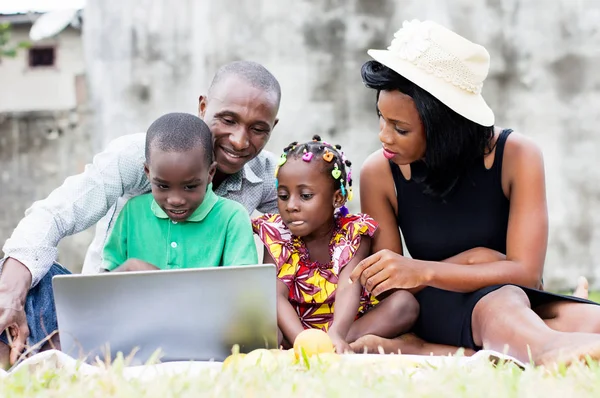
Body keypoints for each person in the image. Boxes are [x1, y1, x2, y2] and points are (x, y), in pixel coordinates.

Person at [347, 19, 600, 366]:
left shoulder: (517, 155)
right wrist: (473, 260)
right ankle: (548, 354)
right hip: (441, 304)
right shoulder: (379, 173)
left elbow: (527, 274)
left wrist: (424, 269)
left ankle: (439, 351)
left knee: (588, 321)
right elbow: (392, 288)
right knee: (500, 301)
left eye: (400, 128)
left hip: (518, 294)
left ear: (445, 126)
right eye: (380, 117)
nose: (384, 136)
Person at [0, 61, 280, 366]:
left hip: (200, 332)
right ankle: (33, 355)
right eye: (228, 119)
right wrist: (11, 292)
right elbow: (57, 214)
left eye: (258, 130)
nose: (240, 141)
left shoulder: (269, 177)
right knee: (21, 272)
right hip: (107, 317)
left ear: (272, 129)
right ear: (203, 106)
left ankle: (49, 357)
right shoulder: (138, 155)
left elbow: (327, 214)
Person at [252, 136, 420, 353]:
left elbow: (348, 286)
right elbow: (275, 295)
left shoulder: (353, 233)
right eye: (283, 196)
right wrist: (302, 340)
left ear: (338, 199)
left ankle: (336, 343)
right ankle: (326, 346)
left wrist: (337, 332)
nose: (291, 206)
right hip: (292, 327)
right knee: (264, 326)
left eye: (305, 196)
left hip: (347, 324)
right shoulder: (277, 234)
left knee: (405, 304)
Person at [102, 112, 257, 272]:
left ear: (210, 173)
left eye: (190, 187)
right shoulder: (133, 211)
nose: (176, 200)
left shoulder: (232, 217)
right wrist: (126, 269)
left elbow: (244, 287)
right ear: (148, 172)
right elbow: (105, 282)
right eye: (163, 186)